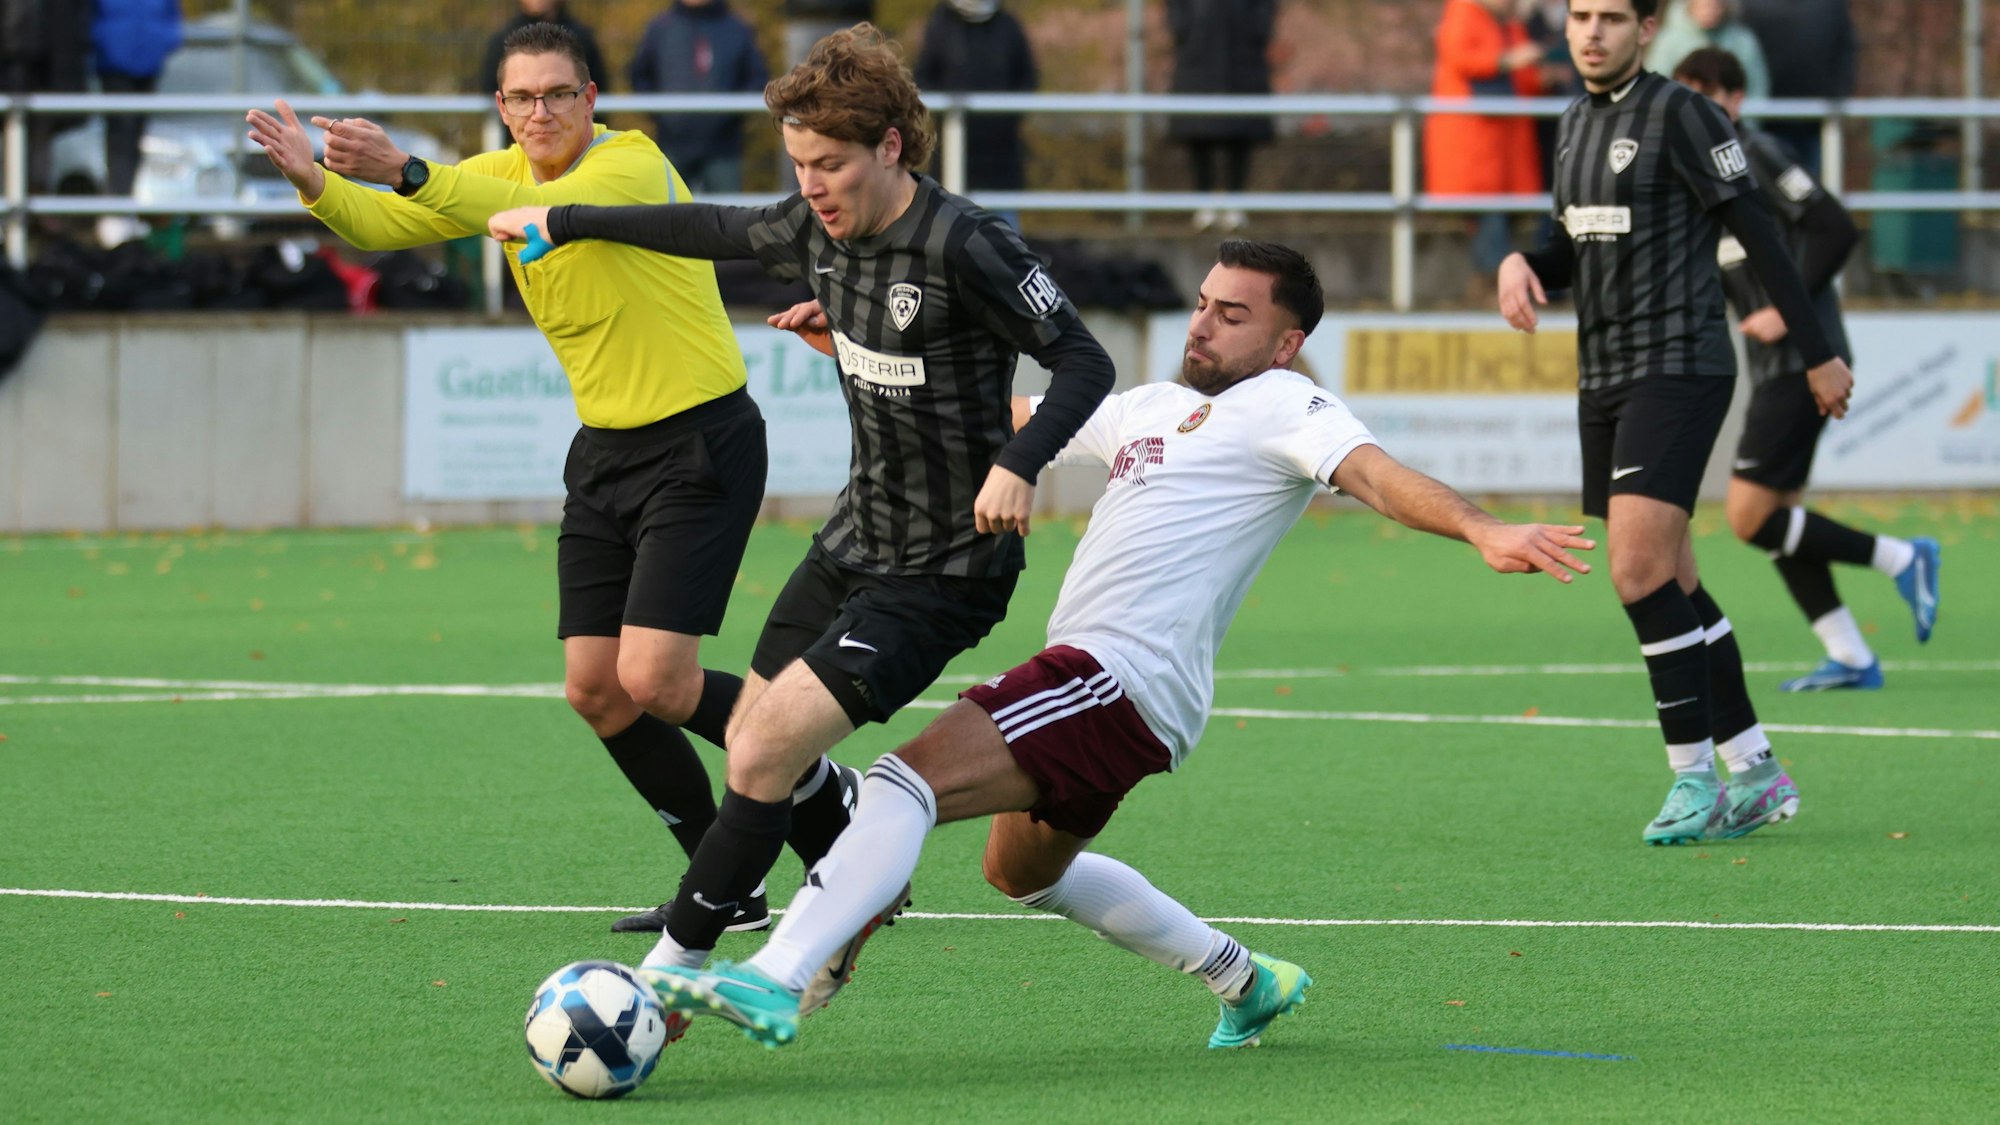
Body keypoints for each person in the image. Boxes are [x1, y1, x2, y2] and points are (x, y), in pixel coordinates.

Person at [635, 240, 1595, 1051]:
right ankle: (1244, 977)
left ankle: (778, 972)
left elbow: (1378, 478)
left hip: (1114, 677)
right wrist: (853, 347)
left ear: (1287, 341)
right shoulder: (1145, 404)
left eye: (1233, 314)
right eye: (1204, 304)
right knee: (1019, 872)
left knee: (898, 783)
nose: (1203, 325)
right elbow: (985, 427)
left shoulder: (1290, 407)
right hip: (1121, 695)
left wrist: (1481, 529)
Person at [487, 24, 1118, 987]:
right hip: (853, 539)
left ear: (892, 148)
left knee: (769, 739)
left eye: (829, 164)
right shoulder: (812, 228)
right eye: (798, 163)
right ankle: (853, 865)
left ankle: (675, 973)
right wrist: (563, 222)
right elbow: (702, 227)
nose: (810, 186)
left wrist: (1022, 459)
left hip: (946, 566)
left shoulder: (968, 242)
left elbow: (1085, 358)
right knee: (751, 735)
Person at [246, 23, 862, 938]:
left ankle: (821, 789)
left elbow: (488, 199)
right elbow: (387, 223)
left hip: (701, 442)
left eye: (559, 94)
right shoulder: (494, 172)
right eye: (522, 98)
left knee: (656, 675)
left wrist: (407, 165)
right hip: (605, 453)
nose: (542, 112)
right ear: (501, 107)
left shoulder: (630, 164)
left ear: (591, 100)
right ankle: (724, 881)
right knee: (596, 687)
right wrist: (314, 179)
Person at [1496, 0, 1856, 846]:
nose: (1591, 31)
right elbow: (1567, 245)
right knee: (1676, 583)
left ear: (1648, 28)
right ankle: (1757, 767)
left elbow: (1759, 234)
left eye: (1612, 17)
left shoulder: (1686, 114)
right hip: (1605, 376)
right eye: (1580, 15)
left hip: (1682, 365)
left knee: (1635, 571)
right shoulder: (1574, 123)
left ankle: (1692, 776)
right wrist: (1522, 259)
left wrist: (1817, 352)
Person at [1671, 48, 1941, 690]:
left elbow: (1833, 226)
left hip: (1803, 361)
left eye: (1706, 97)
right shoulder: (1703, 178)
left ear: (1735, 101)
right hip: (1772, 367)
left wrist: (1784, 317)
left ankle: (1904, 558)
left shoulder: (1755, 153)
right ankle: (1849, 655)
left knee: (1749, 516)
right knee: (1781, 521)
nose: (1696, 114)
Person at [1425, 0, 1549, 283]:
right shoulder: (1463, 15)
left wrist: (1544, 76)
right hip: (1474, 143)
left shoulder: (1507, 22)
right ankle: (1491, 282)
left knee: (1501, 214)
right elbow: (1461, 56)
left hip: (1502, 144)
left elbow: (1525, 79)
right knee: (1488, 214)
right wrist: (1506, 60)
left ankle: (1494, 282)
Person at [629, 0, 769, 195]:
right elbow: (640, 75)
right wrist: (663, 116)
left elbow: (757, 77)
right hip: (672, 144)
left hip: (723, 147)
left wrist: (730, 118)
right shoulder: (660, 28)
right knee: (669, 219)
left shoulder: (736, 28)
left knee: (726, 218)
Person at [1165, 0, 1275, 232]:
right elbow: (1176, 13)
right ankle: (1204, 205)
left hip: (1243, 63)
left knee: (1240, 136)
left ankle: (1235, 205)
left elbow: (1264, 12)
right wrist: (1187, 29)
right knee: (1198, 135)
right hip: (1197, 61)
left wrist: (1254, 30)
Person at [910, 0, 1038, 195]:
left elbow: (1027, 78)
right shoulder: (942, 25)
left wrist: (1005, 117)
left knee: (1002, 221)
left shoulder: (1008, 26)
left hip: (1002, 158)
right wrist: (948, 111)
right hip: (951, 155)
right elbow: (923, 78)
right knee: (950, 219)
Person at [1737, 0, 1854, 174]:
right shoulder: (1753, 7)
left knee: (1812, 189)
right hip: (1766, 120)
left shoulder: (1831, 6)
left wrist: (1838, 93)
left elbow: (1846, 48)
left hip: (1815, 120)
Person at [477, 0, 610, 98]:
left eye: (559, 95)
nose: (540, 114)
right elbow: (489, 85)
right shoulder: (502, 39)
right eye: (523, 99)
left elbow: (600, 82)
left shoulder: (582, 37)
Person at [1646, 0, 1768, 101]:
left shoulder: (1742, 40)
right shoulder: (1669, 41)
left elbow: (1757, 85)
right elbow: (1657, 81)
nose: (1710, 11)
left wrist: (1748, 121)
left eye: (1716, 5)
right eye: (1705, 5)